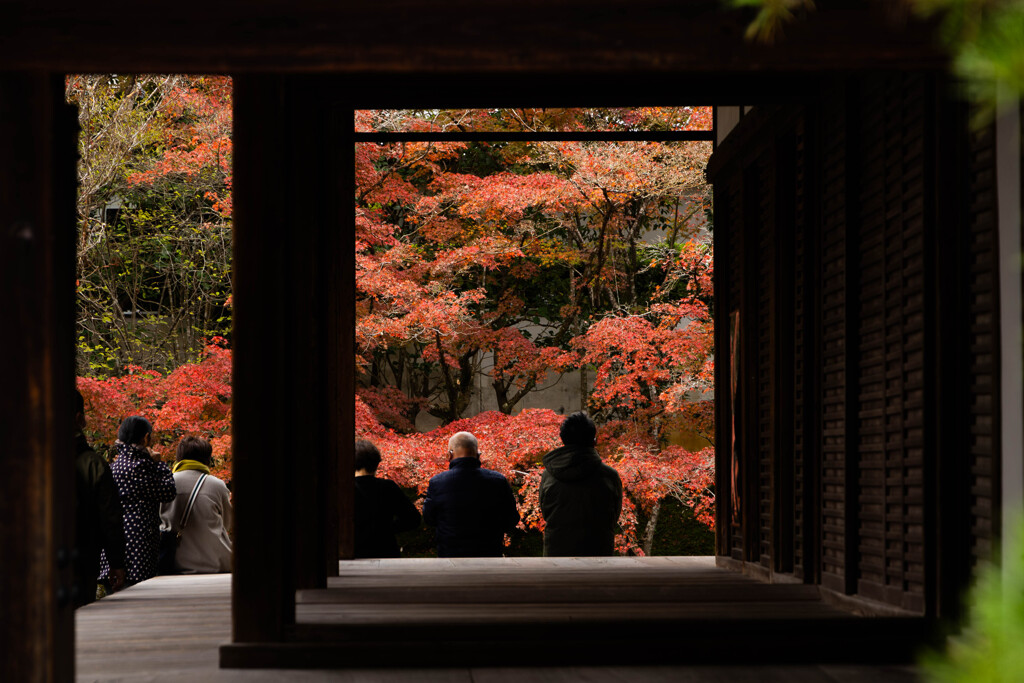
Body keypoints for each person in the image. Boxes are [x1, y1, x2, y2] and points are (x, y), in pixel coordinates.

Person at [98, 415, 176, 586]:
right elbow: (168, 492)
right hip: (138, 545)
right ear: (146, 437)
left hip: (113, 543)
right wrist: (160, 464)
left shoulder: (114, 465)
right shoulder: (142, 466)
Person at [422, 431, 520, 557]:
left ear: (449, 455)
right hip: (489, 554)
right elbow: (511, 519)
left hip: (450, 554)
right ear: (478, 454)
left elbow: (429, 518)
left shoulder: (437, 482)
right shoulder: (498, 480)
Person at [539, 412, 623, 557]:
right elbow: (614, 515)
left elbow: (545, 511)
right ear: (594, 441)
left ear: (563, 440)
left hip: (556, 554)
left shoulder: (549, 475)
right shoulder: (609, 477)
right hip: (598, 554)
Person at [73, 390, 126, 606]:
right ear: (80, 419)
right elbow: (109, 517)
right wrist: (116, 562)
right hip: (82, 556)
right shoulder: (93, 464)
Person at [160, 436, 233, 573]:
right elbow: (227, 523)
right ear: (207, 458)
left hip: (175, 563)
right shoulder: (217, 485)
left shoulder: (166, 483)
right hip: (215, 563)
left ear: (179, 457)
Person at [353, 439, 421, 558]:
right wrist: (387, 529)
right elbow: (413, 519)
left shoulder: (341, 489)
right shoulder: (388, 487)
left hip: (353, 552)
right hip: (386, 550)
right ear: (376, 463)